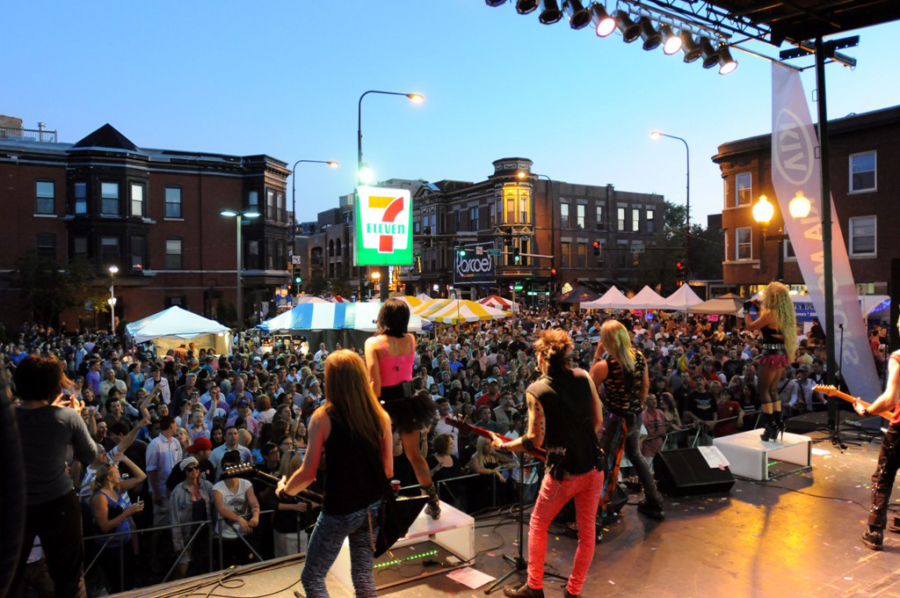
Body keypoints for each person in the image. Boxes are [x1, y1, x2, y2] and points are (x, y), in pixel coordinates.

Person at [493, 329, 603, 598]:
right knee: (587, 534)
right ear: (567, 355)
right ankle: (573, 591)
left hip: (563, 474)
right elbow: (598, 420)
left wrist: (503, 446)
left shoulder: (536, 390)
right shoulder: (584, 376)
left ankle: (534, 588)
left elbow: (534, 440)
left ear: (541, 357)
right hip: (593, 466)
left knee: (539, 524)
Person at [277, 350, 393, 598]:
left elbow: (308, 473)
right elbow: (388, 470)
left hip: (341, 509)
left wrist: (285, 491)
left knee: (313, 577)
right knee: (363, 574)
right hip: (372, 507)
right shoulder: (380, 415)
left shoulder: (322, 418)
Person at [11, 354, 100, 598]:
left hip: (14, 505)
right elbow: (91, 456)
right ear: (53, 386)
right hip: (58, 503)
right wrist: (77, 419)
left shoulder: (7, 418)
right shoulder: (66, 418)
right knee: (68, 577)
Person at [364, 298, 439, 519]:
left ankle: (379, 506)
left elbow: (374, 386)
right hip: (407, 402)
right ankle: (432, 501)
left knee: (380, 457)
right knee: (415, 455)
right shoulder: (410, 339)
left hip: (384, 404)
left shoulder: (373, 343)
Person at [592, 320, 666, 521]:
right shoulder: (639, 357)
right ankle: (654, 499)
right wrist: (636, 407)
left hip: (615, 419)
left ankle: (600, 512)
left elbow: (589, 387)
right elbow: (645, 386)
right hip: (634, 416)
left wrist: (597, 355)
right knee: (635, 455)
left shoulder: (605, 365)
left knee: (604, 460)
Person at [856, 316, 900, 550]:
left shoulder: (898, 357)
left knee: (883, 477)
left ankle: (874, 531)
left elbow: (890, 398)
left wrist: (866, 411)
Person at [744, 282, 797, 442]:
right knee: (773, 390)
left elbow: (751, 326)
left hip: (770, 355)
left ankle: (770, 426)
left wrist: (747, 310)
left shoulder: (769, 315)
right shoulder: (785, 315)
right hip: (781, 355)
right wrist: (758, 307)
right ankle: (778, 423)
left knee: (763, 390)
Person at [90, 456, 146, 593]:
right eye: (116, 472)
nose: (119, 475)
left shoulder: (117, 488)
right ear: (109, 477)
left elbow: (141, 476)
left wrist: (125, 459)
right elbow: (105, 526)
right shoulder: (101, 498)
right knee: (119, 584)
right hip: (111, 548)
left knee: (129, 580)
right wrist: (128, 512)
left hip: (124, 543)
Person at [169, 456, 215, 579]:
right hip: (186, 535)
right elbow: (174, 518)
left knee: (205, 568)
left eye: (196, 467)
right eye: (190, 469)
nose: (194, 471)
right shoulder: (177, 491)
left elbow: (216, 507)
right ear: (185, 471)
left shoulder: (207, 486)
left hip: (205, 534)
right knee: (182, 569)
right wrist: (178, 544)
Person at [213, 450, 260, 568]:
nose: (228, 470)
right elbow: (221, 509)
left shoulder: (246, 484)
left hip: (243, 534)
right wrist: (239, 519)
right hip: (225, 535)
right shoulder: (218, 487)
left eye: (232, 467)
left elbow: (254, 503)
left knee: (247, 566)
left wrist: (255, 517)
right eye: (225, 467)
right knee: (227, 567)